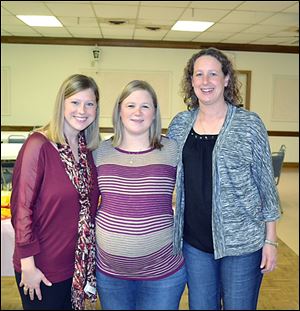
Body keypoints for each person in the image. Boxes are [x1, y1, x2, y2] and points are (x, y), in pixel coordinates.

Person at [167, 48, 281, 310]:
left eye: (213, 74)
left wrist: (270, 240)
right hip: (194, 244)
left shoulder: (249, 124)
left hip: (242, 245)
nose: (206, 82)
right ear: (191, 81)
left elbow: (266, 186)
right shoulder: (180, 124)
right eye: (199, 75)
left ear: (226, 79)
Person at [93, 80, 186, 310]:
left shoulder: (172, 150)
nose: (138, 112)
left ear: (154, 113)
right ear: (119, 111)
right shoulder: (99, 151)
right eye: (131, 105)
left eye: (145, 106)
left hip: (163, 273)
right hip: (110, 274)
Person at [10, 74, 101, 310]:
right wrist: (27, 266)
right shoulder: (38, 145)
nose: (82, 110)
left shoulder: (87, 151)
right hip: (42, 267)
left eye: (89, 103)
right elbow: (21, 209)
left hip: (76, 265)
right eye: (75, 102)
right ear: (62, 103)